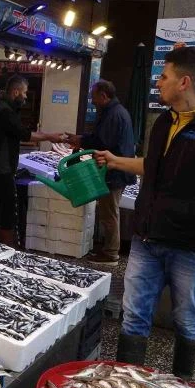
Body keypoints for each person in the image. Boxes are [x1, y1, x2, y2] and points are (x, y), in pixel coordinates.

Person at [94, 47, 195, 379]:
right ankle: (125, 386)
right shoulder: (164, 121)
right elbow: (153, 166)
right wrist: (115, 160)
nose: (158, 82)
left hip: (192, 249)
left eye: (164, 76)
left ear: (184, 82)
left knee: (187, 319)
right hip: (146, 241)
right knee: (133, 315)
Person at [0, 75, 65, 246]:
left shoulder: (2, 108)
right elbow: (25, 134)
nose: (26, 96)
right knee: (7, 207)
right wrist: (50, 136)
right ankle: (7, 245)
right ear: (16, 92)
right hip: (2, 168)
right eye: (25, 92)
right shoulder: (5, 111)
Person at [64, 80, 136, 265]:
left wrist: (81, 141)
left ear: (103, 96)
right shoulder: (115, 111)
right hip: (115, 171)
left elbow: (103, 142)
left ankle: (111, 253)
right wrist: (81, 139)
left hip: (114, 172)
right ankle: (108, 249)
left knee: (109, 213)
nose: (92, 101)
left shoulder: (113, 114)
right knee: (109, 212)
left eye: (94, 97)